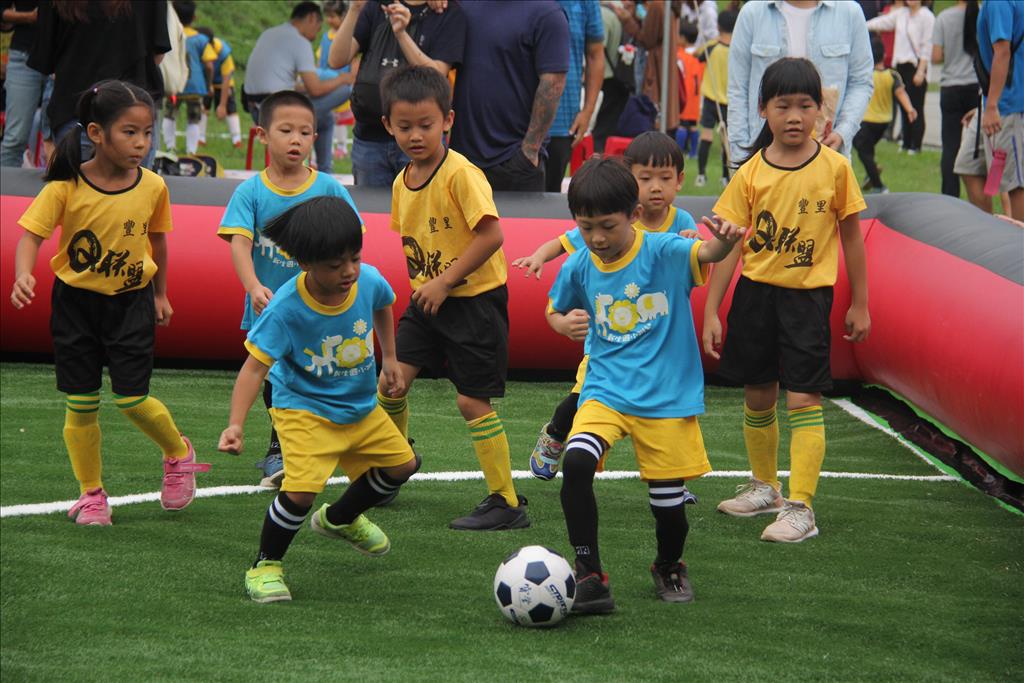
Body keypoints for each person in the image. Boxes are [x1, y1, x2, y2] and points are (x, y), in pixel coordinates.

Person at [10, 80, 210, 526]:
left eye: (147, 133)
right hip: (74, 305)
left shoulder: (154, 185)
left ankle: (178, 453)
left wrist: (160, 294)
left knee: (132, 398)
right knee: (80, 403)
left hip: (131, 303)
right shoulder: (65, 186)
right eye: (129, 132)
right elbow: (31, 237)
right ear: (96, 133)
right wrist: (24, 273)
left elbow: (158, 241)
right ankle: (92, 495)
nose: (141, 143)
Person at [547, 158, 742, 612]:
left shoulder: (664, 251)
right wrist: (561, 325)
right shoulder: (579, 264)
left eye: (607, 226)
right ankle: (590, 574)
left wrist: (725, 243)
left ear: (633, 215)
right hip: (606, 390)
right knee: (576, 463)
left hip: (666, 397)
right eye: (586, 226)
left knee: (669, 506)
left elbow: (708, 255)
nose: (597, 238)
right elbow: (553, 309)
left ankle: (669, 564)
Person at [218, 196, 418, 604]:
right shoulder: (285, 309)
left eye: (354, 258)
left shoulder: (367, 279)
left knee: (403, 465)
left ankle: (340, 518)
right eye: (334, 264)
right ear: (305, 263)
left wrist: (390, 358)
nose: (348, 271)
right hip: (303, 409)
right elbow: (254, 369)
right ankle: (265, 566)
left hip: (359, 406)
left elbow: (384, 303)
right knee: (300, 492)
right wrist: (236, 424)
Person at [704, 58, 870, 544]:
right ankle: (765, 488)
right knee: (758, 394)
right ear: (763, 111)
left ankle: (802, 508)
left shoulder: (837, 169)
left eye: (806, 105)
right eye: (783, 106)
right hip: (756, 297)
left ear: (822, 110)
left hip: (807, 301)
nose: (795, 116)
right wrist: (712, 309)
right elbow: (729, 244)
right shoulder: (749, 173)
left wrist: (860, 303)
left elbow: (854, 240)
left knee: (803, 396)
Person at [379, 65, 527, 530]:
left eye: (426, 125)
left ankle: (506, 501)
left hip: (473, 304)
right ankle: (393, 467)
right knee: (391, 381)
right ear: (388, 126)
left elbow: (492, 235)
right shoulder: (402, 182)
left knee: (471, 402)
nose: (415, 135)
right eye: (404, 127)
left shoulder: (461, 174)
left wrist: (444, 282)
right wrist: (431, 287)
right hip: (426, 304)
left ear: (448, 119)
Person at [514, 131, 701, 496]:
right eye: (645, 178)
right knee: (580, 397)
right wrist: (539, 256)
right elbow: (566, 241)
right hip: (609, 347)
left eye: (665, 178)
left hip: (656, 346)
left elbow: (697, 251)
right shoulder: (604, 220)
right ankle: (555, 433)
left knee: (668, 409)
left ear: (680, 180)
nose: (655, 187)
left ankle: (669, 479)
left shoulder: (679, 223)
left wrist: (697, 240)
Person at [217, 90, 364, 488]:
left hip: (323, 310)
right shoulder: (250, 192)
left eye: (305, 132)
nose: (296, 139)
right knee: (274, 377)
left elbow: (354, 244)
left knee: (329, 373)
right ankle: (279, 448)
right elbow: (240, 243)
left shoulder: (330, 189)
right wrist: (253, 286)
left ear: (316, 137)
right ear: (263, 135)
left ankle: (352, 445)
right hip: (272, 310)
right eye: (286, 131)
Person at [327, 0, 466, 186]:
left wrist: (401, 34)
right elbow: (336, 60)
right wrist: (354, 9)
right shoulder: (375, 7)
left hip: (421, 140)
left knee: (421, 208)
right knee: (373, 211)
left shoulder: (447, 12)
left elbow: (436, 74)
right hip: (369, 138)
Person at [29, 0, 171, 170]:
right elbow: (158, 52)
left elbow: (47, 58)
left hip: (75, 109)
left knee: (78, 191)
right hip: (134, 110)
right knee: (133, 190)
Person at [727, 0, 874, 164]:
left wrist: (842, 132)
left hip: (826, 154)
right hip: (762, 155)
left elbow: (861, 83)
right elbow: (738, 89)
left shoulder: (849, 13)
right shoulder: (752, 13)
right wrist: (740, 155)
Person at [449, 0, 568, 192]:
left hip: (515, 161)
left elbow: (553, 83)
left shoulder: (547, 13)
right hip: (461, 159)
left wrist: (529, 151)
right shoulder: (463, 6)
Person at [243, 1, 351, 159]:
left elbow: (289, 85)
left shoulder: (270, 33)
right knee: (345, 91)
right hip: (277, 111)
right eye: (318, 27)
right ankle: (325, 171)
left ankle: (322, 169)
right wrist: (343, 79)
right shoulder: (300, 42)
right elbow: (315, 89)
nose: (317, 33)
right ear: (312, 18)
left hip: (255, 107)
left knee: (326, 118)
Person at [967, 0, 1024, 221]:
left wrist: (992, 106)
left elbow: (1002, 52)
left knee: (1015, 184)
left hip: (1007, 106)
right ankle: (990, 236)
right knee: (969, 166)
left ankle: (1017, 248)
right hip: (993, 102)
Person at [545, 0, 604, 193]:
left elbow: (595, 54)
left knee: (549, 196)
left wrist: (587, 111)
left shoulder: (586, 3)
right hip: (515, 119)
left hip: (562, 122)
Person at [867, 0, 934, 155]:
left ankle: (915, 145)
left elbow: (927, 45)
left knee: (916, 107)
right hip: (901, 67)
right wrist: (861, 24)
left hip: (916, 66)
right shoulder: (901, 14)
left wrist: (921, 71)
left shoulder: (926, 16)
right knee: (904, 107)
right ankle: (906, 141)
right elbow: (882, 22)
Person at [854, 33, 918, 193]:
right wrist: (910, 109)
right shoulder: (892, 75)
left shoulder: (865, 74)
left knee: (861, 149)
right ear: (884, 55)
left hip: (867, 121)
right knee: (867, 149)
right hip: (884, 124)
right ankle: (871, 173)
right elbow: (901, 93)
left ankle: (878, 185)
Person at [932, 0, 980, 198]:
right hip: (976, 87)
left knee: (950, 146)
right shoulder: (983, 15)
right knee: (977, 149)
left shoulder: (944, 17)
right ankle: (980, 196)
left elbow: (936, 56)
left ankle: (949, 197)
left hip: (951, 87)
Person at [614, 0, 681, 135]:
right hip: (664, 66)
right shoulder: (669, 5)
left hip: (655, 68)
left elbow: (647, 39)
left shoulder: (657, 5)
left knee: (649, 113)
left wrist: (628, 20)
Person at [0, 0, 46, 167]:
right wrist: (29, 17)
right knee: (15, 138)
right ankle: (4, 191)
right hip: (24, 54)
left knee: (57, 138)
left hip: (63, 58)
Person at [161, 1, 211, 155]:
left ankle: (170, 147)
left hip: (175, 83)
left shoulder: (171, 34)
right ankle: (191, 151)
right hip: (195, 86)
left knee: (170, 114)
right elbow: (209, 65)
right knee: (194, 118)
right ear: (194, 17)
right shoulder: (201, 39)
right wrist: (208, 85)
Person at [695, 8, 735, 188]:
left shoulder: (712, 46)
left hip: (712, 99)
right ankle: (725, 177)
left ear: (718, 27)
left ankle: (701, 175)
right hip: (730, 100)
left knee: (707, 136)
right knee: (726, 139)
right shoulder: (737, 48)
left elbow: (697, 55)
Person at [312, 0, 354, 169]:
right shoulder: (325, 37)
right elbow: (320, 59)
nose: (330, 20)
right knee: (326, 116)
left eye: (333, 16)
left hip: (342, 81)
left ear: (344, 16)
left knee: (341, 118)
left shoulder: (349, 36)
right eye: (327, 16)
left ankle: (342, 147)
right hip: (326, 82)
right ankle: (321, 153)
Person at [196, 27, 242, 149]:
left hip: (223, 83)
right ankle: (200, 138)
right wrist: (207, 85)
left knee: (230, 108)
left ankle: (236, 139)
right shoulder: (197, 49)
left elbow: (227, 79)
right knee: (203, 106)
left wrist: (222, 105)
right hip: (206, 81)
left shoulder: (223, 52)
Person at [676, 21, 705, 159]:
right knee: (693, 125)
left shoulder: (680, 55)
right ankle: (693, 153)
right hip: (696, 95)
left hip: (683, 94)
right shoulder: (700, 55)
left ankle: (679, 151)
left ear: (682, 38)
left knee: (681, 124)